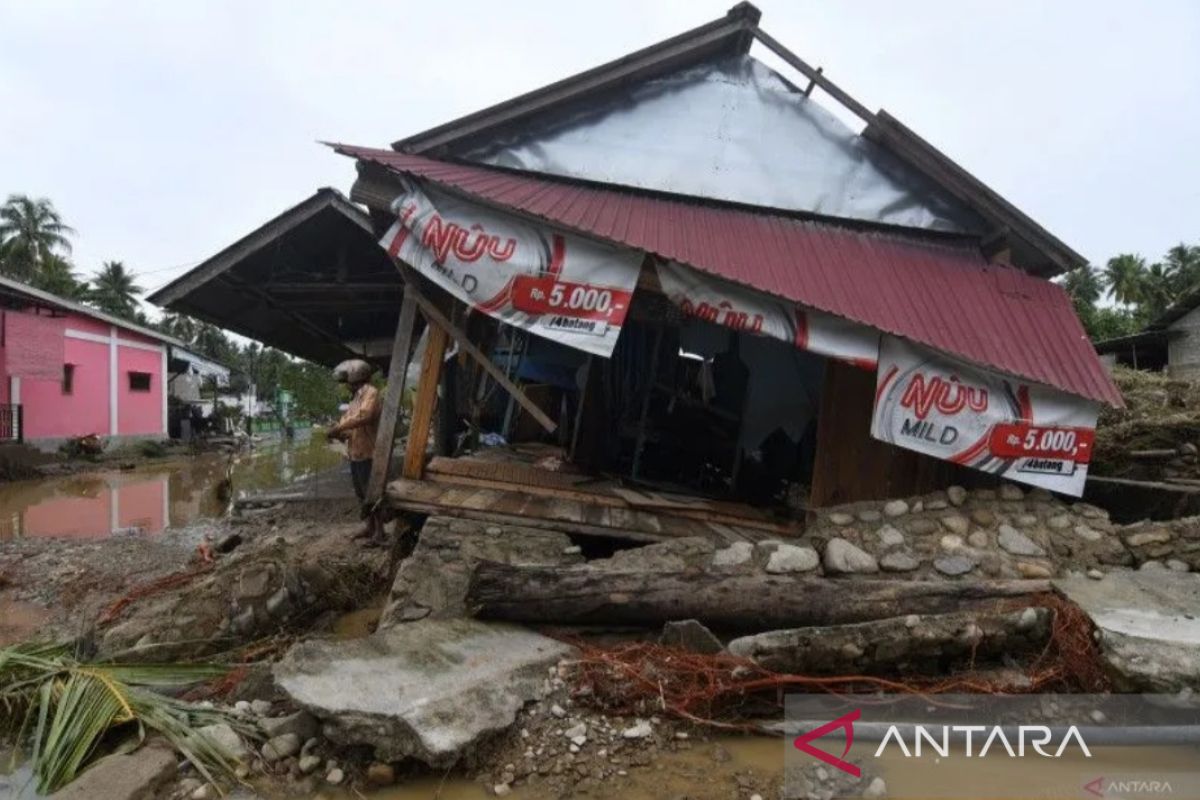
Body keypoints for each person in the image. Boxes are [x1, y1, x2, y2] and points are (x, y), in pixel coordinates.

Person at [326, 359, 385, 543]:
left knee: (372, 494)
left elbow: (364, 416)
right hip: (355, 453)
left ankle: (380, 532)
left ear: (355, 377)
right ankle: (369, 526)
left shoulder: (371, 393)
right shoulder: (355, 398)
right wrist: (339, 434)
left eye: (347, 382)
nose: (346, 386)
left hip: (369, 452)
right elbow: (349, 425)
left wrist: (340, 428)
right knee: (361, 494)